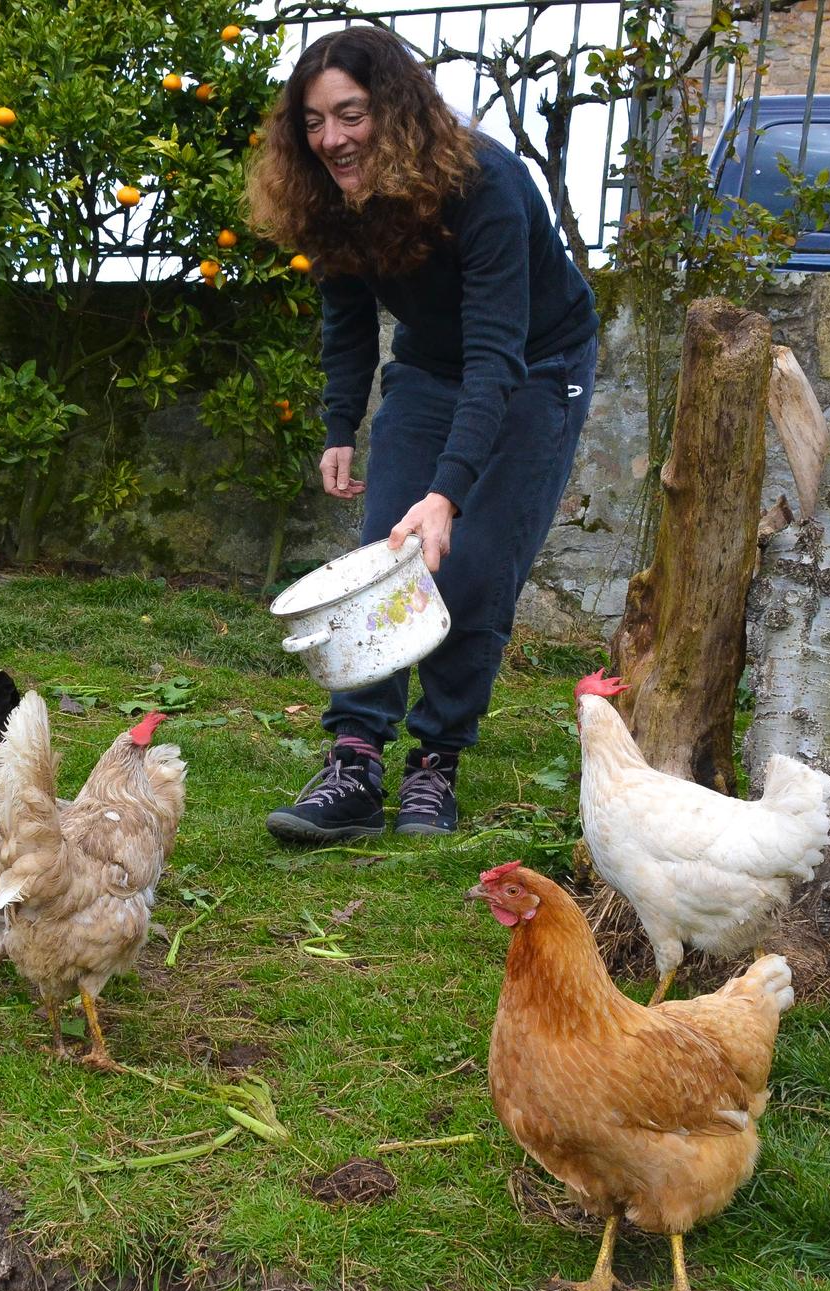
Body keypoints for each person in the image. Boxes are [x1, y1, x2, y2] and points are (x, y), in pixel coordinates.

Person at [245, 26, 599, 843]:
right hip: (432, 366)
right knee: (385, 555)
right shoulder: (334, 196)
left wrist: (448, 492)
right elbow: (344, 313)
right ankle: (356, 759)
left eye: (351, 114)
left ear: (396, 112)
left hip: (536, 365)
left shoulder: (490, 189)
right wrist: (342, 421)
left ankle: (436, 762)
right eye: (313, 121)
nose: (331, 138)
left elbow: (496, 358)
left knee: (472, 565)